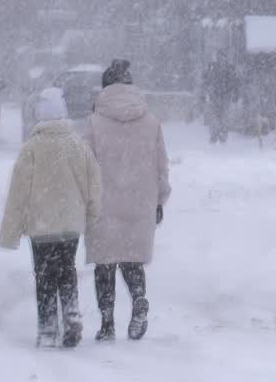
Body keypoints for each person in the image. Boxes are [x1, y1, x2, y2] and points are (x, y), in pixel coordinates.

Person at [0, 88, 102, 349]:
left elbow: (18, 192)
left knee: (44, 274)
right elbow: (94, 186)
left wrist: (11, 230)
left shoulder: (32, 147)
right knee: (67, 269)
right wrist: (91, 216)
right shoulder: (79, 146)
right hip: (70, 226)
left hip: (41, 225)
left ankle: (47, 328)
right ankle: (71, 312)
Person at [86, 59, 171, 342]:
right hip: (140, 202)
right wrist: (160, 199)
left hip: (104, 203)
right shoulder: (151, 122)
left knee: (104, 263)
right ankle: (138, 299)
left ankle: (107, 322)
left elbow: (87, 166)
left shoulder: (94, 123)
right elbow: (161, 165)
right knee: (132, 260)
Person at [203, 54, 239, 145]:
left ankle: (221, 136)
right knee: (216, 118)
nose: (221, 61)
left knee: (223, 118)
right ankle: (215, 136)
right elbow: (206, 81)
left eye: (222, 59)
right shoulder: (212, 68)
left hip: (224, 97)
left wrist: (234, 93)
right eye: (219, 59)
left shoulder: (228, 69)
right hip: (215, 97)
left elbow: (234, 82)